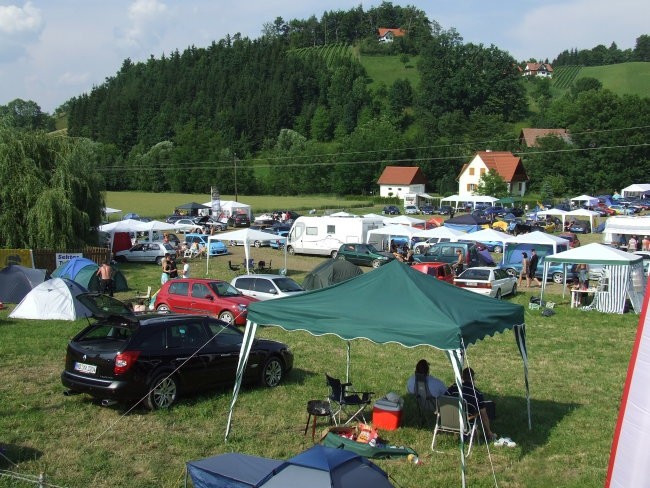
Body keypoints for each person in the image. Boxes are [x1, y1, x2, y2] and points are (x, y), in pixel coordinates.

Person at [445, 367, 496, 440]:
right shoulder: (477, 393)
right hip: (465, 423)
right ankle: (474, 433)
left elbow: (443, 398)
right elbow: (483, 415)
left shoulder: (454, 387)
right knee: (481, 412)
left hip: (448, 420)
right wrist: (489, 432)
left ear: (462, 377)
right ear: (473, 378)